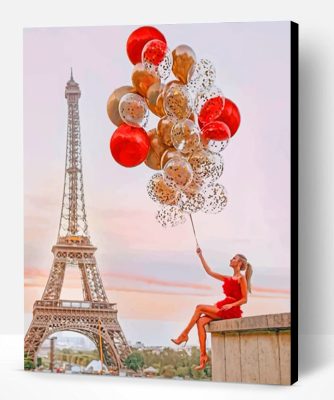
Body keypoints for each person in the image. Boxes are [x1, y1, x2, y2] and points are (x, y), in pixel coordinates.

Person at [171, 247, 253, 370]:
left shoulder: (241, 279)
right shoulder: (228, 278)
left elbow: (244, 299)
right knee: (201, 321)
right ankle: (203, 356)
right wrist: (200, 256)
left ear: (239, 263)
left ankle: (184, 335)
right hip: (223, 307)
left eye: (234, 258)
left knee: (199, 308)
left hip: (231, 310)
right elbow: (209, 271)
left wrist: (231, 305)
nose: (231, 259)